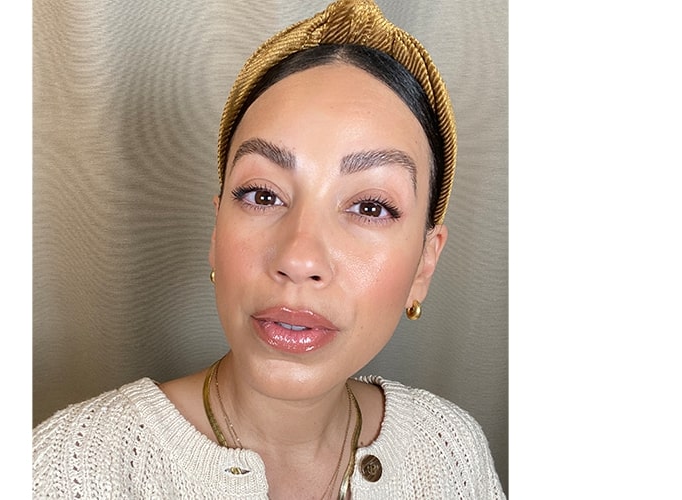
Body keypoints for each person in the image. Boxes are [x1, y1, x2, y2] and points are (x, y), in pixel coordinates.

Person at [32, 0, 505, 498]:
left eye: (370, 207)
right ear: (217, 233)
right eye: (263, 195)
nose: (298, 259)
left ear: (424, 265)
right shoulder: (68, 471)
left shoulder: (451, 448)